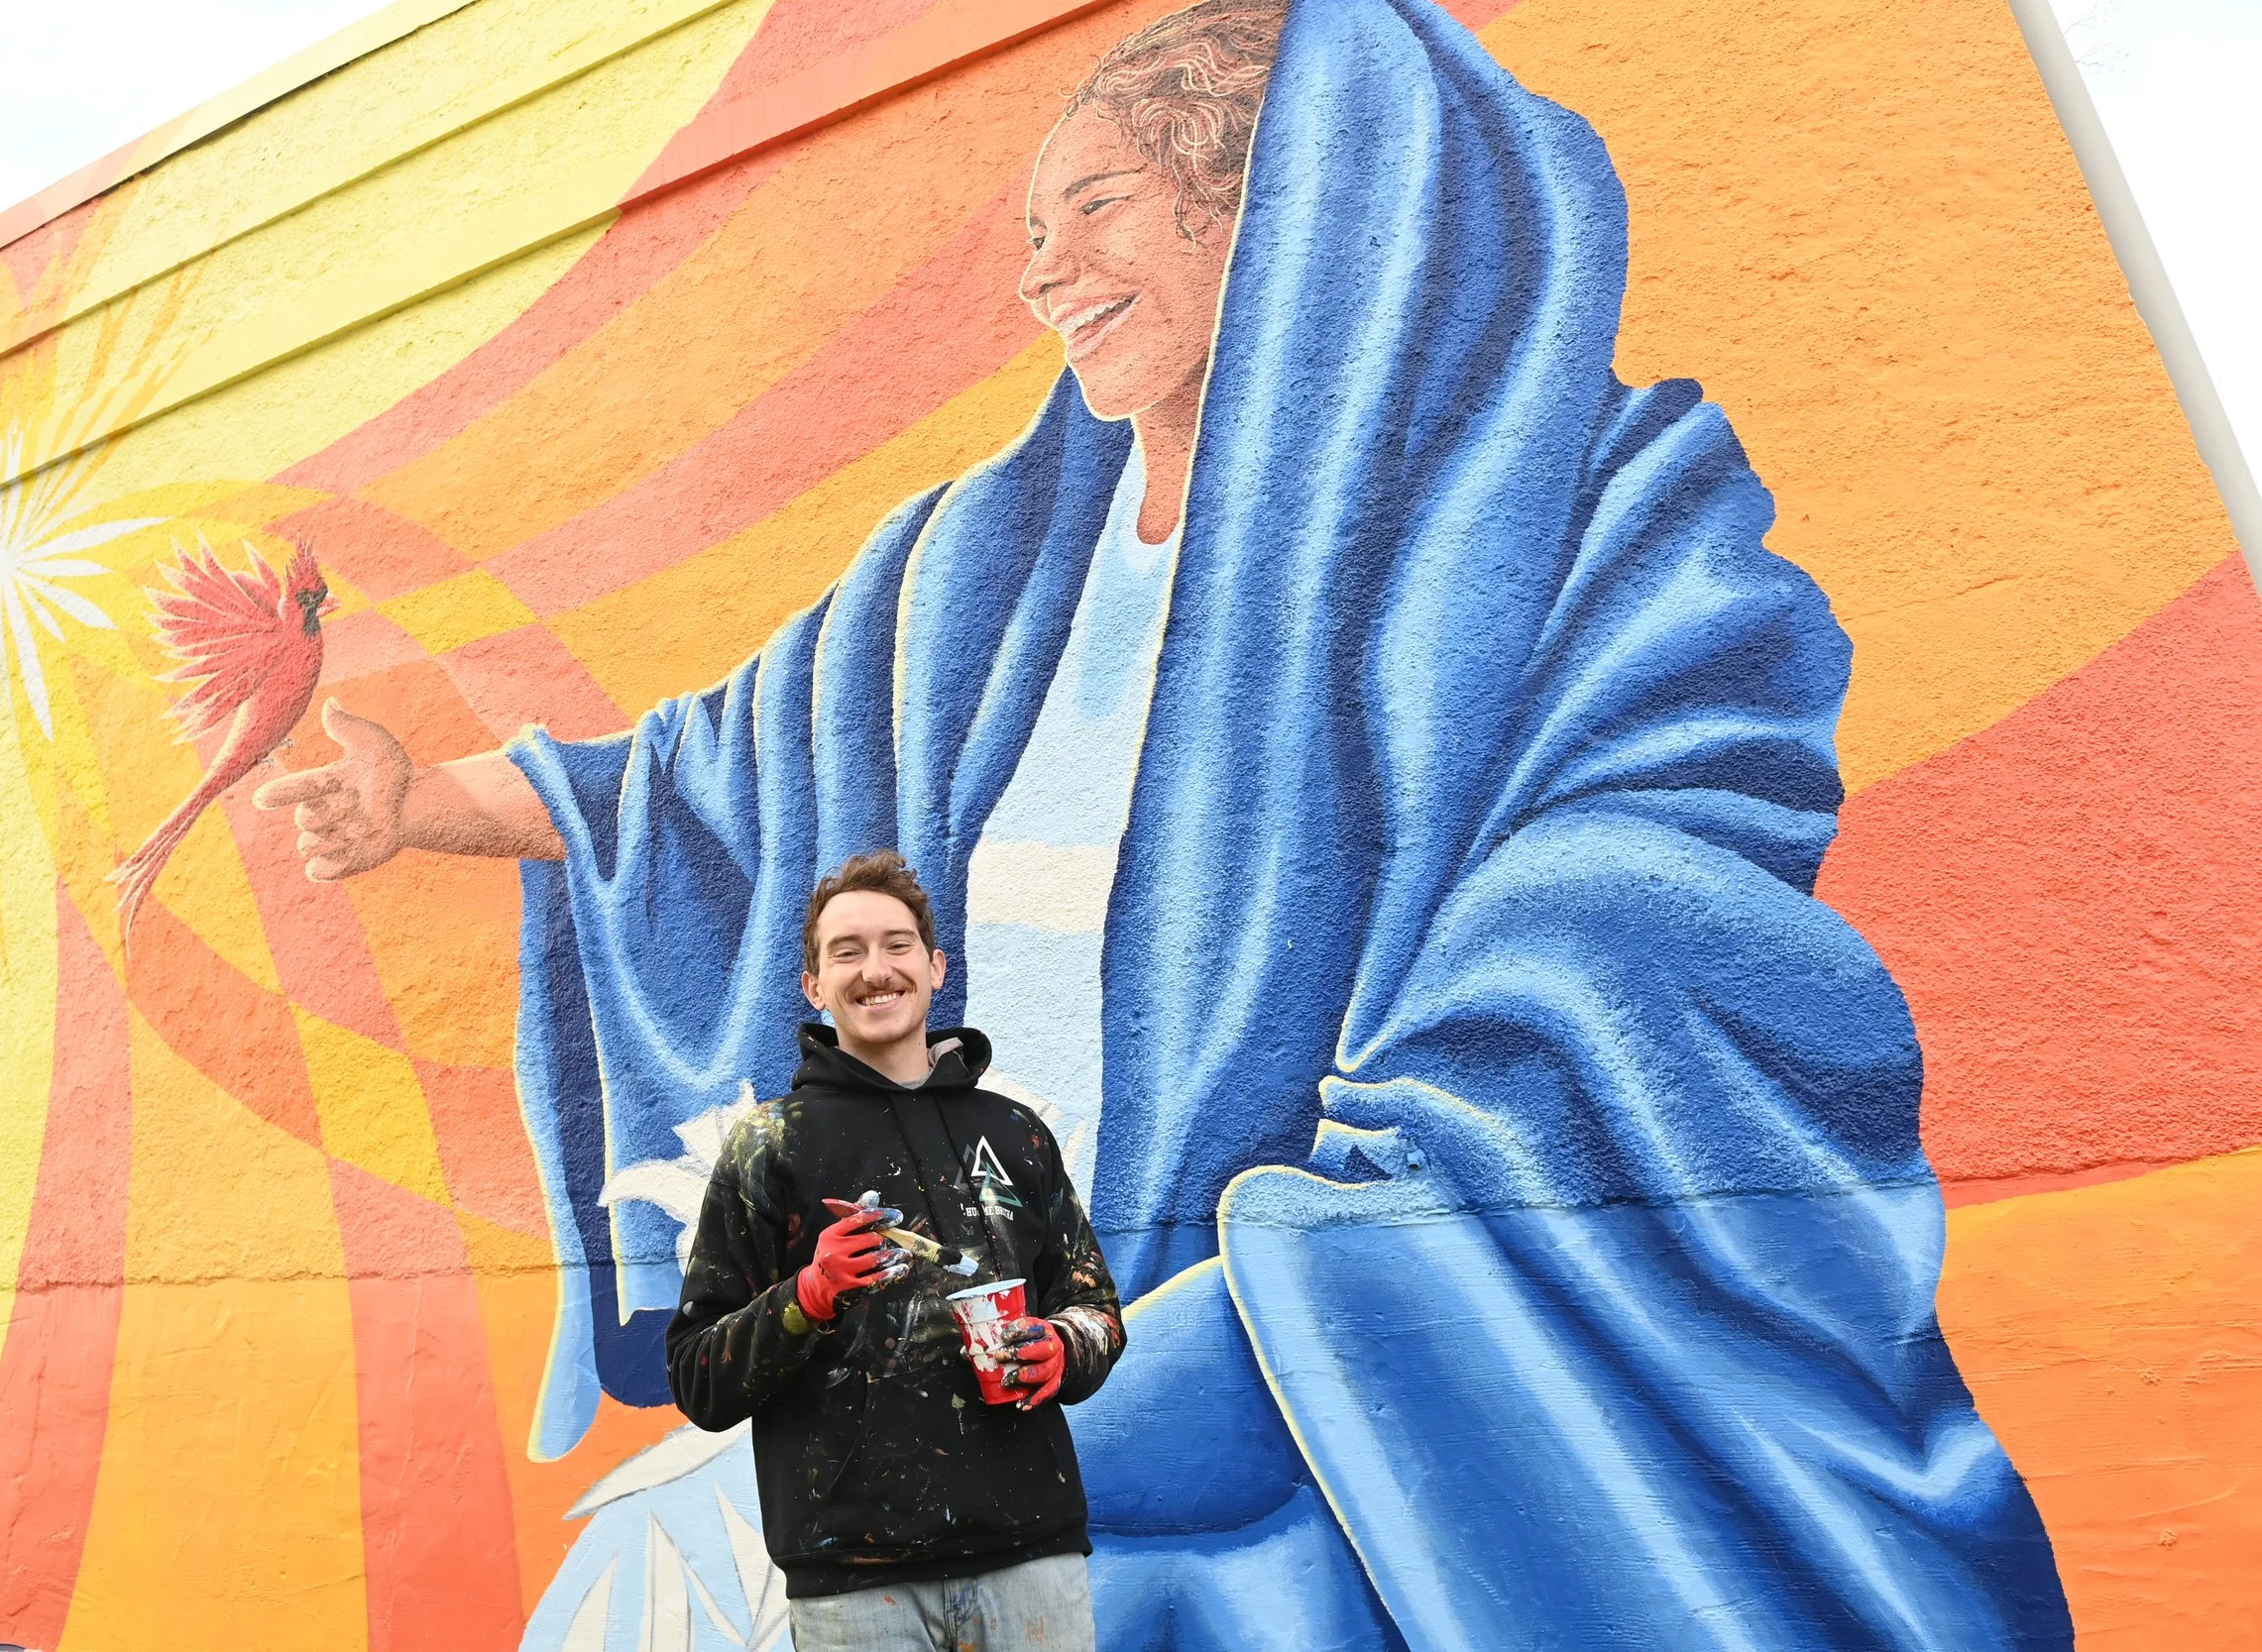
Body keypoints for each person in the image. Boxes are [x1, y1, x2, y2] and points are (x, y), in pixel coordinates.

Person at [259, 0, 2077, 1645]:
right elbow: (694, 776)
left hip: (1204, 1390)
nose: (1045, 271)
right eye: (1031, 225)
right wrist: (423, 804)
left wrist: (1116, 1383)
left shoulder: (1568, 524)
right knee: (646, 1585)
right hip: (978, 1355)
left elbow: (1611, 958)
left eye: (1099, 208)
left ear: (1259, 208)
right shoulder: (973, 575)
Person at [663, 849, 1122, 1651]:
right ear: (814, 985)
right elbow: (698, 1377)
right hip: (852, 1583)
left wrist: (1065, 1345)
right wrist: (803, 1298)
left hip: (1031, 1557)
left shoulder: (1015, 1132)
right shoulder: (770, 1147)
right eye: (847, 951)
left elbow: (1096, 1309)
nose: (876, 970)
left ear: (936, 967)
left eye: (897, 944)